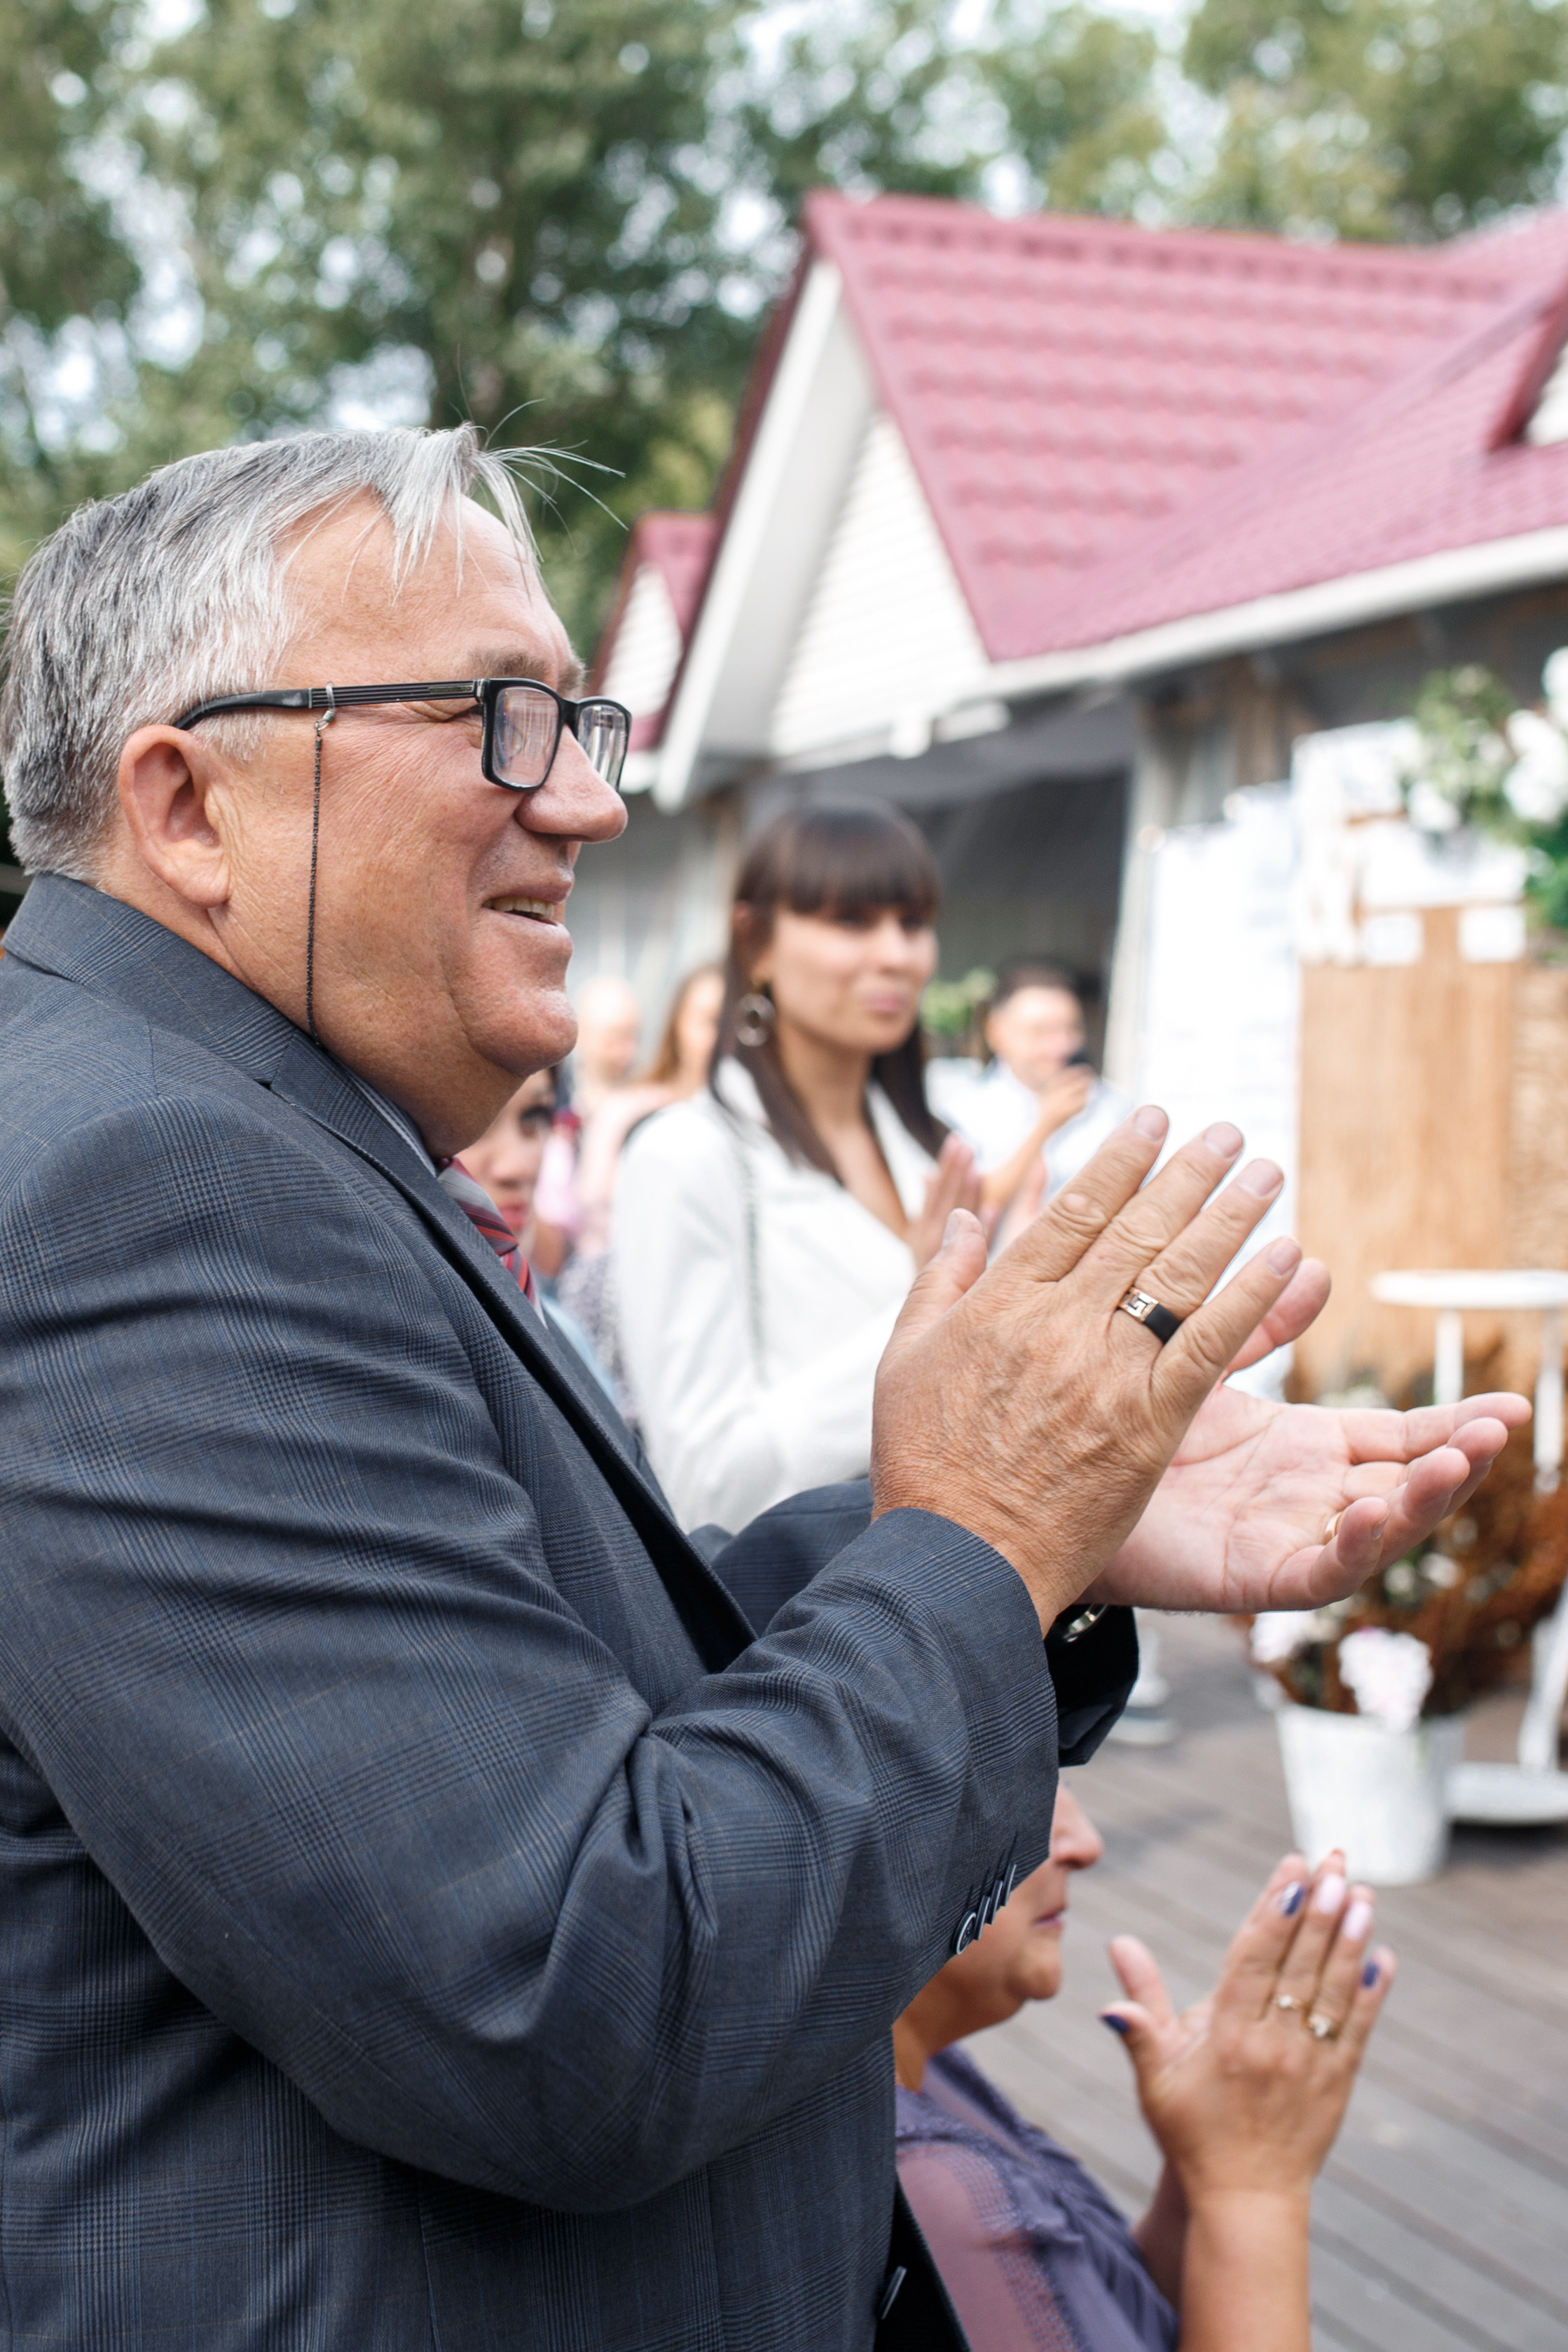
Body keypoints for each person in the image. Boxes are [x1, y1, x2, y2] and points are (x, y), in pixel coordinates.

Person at [0, 424, 1521, 2351]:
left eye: (581, 722)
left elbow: (555, 1679)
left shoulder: (204, 1136)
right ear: (190, 806)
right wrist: (973, 1529)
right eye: (493, 716)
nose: (588, 806)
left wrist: (1043, 1533)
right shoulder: (143, 1187)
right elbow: (571, 1989)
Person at [895, 1791, 1389, 2352]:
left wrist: (1211, 2157)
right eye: (1019, 1770)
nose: (1085, 1843)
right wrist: (1253, 2191)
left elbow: (1106, 2317)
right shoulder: (935, 2184)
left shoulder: (919, 2071)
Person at [612, 803, 982, 1532]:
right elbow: (706, 1489)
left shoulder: (937, 1152)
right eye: (851, 920)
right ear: (756, 943)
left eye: (913, 923)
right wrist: (921, 1315)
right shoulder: (687, 1155)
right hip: (812, 1621)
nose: (896, 955)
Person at [557, 963, 724, 1415]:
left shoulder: (755, 1129)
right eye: (710, 1020)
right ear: (678, 1027)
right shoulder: (630, 1114)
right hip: (619, 1316)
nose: (724, 1035)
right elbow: (591, 1217)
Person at [930, 961, 1131, 1215]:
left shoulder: (1112, 1107)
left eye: (1071, 1028)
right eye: (1041, 1032)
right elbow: (967, 1205)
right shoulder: (961, 1112)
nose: (1062, 1045)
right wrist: (1045, 1126)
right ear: (997, 1032)